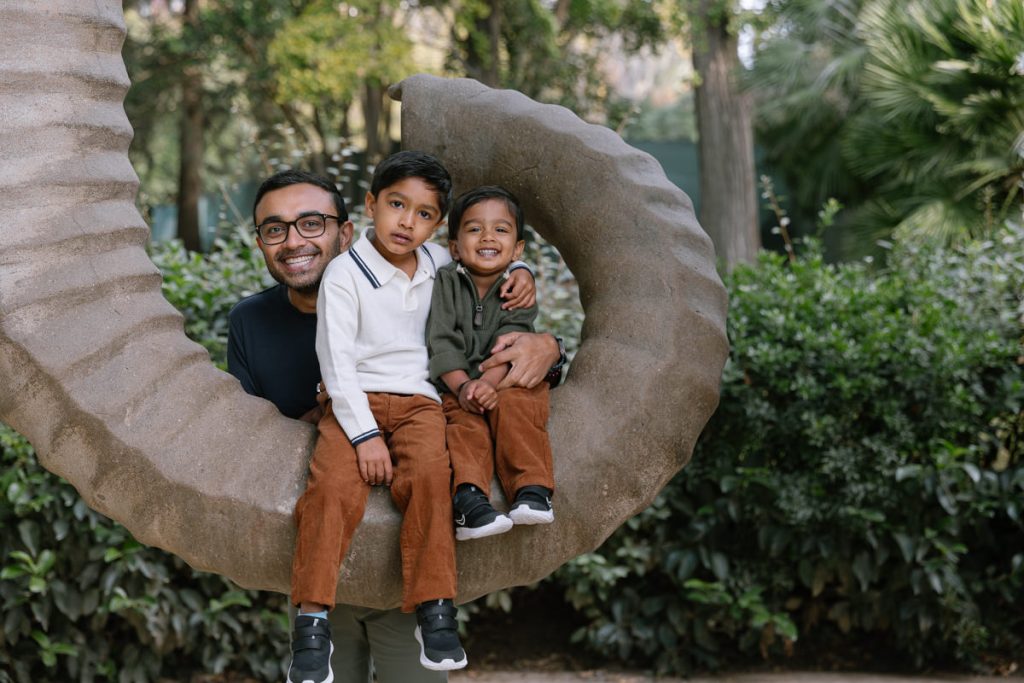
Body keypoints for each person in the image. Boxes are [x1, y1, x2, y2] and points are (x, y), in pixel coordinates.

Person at [226, 169, 552, 683]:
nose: (294, 241)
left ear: (347, 228)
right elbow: (249, 431)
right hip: (324, 551)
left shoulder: (435, 272)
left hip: (407, 557)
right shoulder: (251, 321)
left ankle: (436, 612)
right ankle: (311, 626)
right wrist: (346, 425)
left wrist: (538, 318)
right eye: (275, 229)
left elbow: (481, 267)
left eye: (311, 223)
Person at [427, 186, 555, 542]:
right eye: (473, 229)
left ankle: (532, 489)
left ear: (517, 250)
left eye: (501, 229)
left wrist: (490, 385)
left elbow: (512, 340)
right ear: (454, 246)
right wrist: (464, 387)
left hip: (507, 379)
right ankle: (470, 500)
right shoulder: (445, 282)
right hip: (457, 383)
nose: (487, 237)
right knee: (461, 424)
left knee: (519, 407)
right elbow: (442, 339)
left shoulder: (518, 289)